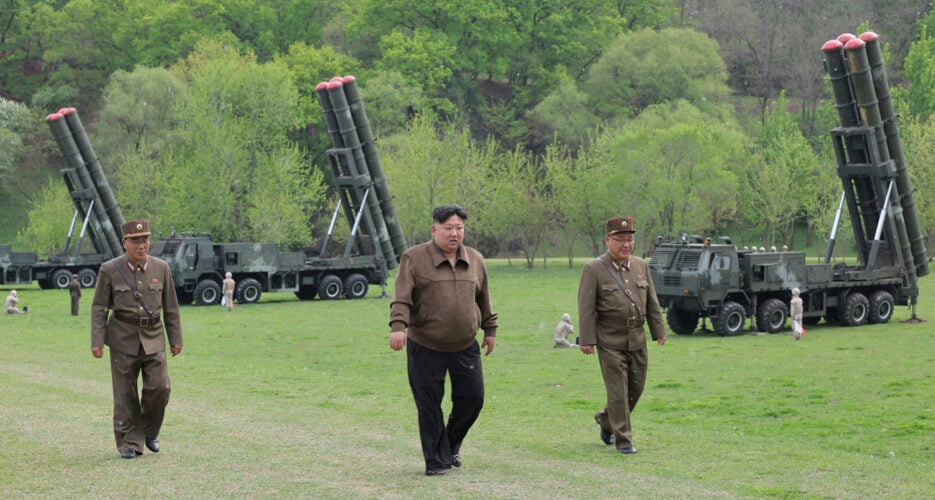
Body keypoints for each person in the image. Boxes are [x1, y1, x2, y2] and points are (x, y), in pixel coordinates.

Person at [388, 204, 499, 476]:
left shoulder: (475, 259)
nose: (454, 233)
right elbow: (401, 296)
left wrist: (490, 329)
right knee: (429, 405)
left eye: (459, 228)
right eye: (448, 227)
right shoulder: (414, 258)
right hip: (426, 344)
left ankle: (449, 446)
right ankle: (436, 461)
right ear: (434, 229)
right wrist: (398, 326)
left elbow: (483, 297)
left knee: (473, 399)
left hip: (465, 345)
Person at [90, 219, 183, 459]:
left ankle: (149, 431)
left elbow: (171, 306)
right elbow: (99, 307)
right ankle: (128, 443)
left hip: (154, 337)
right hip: (122, 338)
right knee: (125, 394)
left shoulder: (161, 268)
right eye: (135, 241)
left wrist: (176, 338)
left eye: (145, 240)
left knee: (160, 387)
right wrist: (97, 340)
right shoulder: (109, 269)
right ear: (125, 243)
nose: (141, 245)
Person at [577, 216, 666, 455]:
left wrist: (659, 330)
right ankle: (624, 440)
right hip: (609, 340)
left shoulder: (640, 265)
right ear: (607, 240)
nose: (626, 245)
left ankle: (606, 420)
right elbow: (586, 308)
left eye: (629, 240)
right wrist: (586, 340)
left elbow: (652, 302)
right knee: (618, 392)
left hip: (637, 338)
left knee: (636, 389)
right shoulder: (593, 269)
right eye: (620, 240)